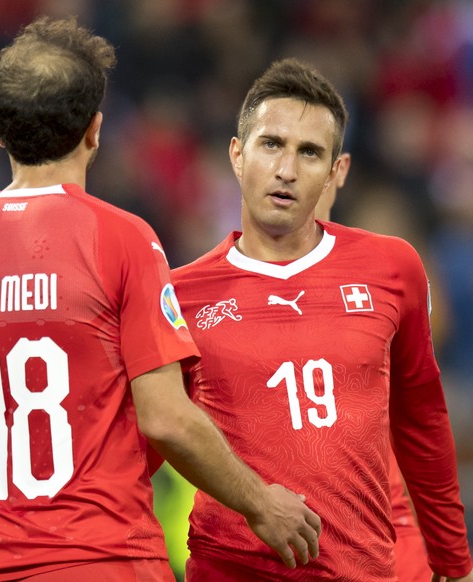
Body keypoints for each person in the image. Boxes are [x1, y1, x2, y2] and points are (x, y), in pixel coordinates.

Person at [0, 21, 322, 581]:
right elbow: (165, 418)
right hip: (106, 562)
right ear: (96, 129)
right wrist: (262, 505)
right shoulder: (120, 239)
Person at [171, 58, 473, 581]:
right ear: (237, 156)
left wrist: (454, 560)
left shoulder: (392, 267)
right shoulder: (180, 294)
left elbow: (422, 419)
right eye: (271, 144)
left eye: (309, 153)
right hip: (229, 570)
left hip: (363, 570)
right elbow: (151, 440)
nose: (287, 169)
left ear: (337, 171)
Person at [316, 152, 432, 582]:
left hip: (388, 510)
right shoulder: (230, 283)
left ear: (339, 172)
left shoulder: (398, 277)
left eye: (312, 154)